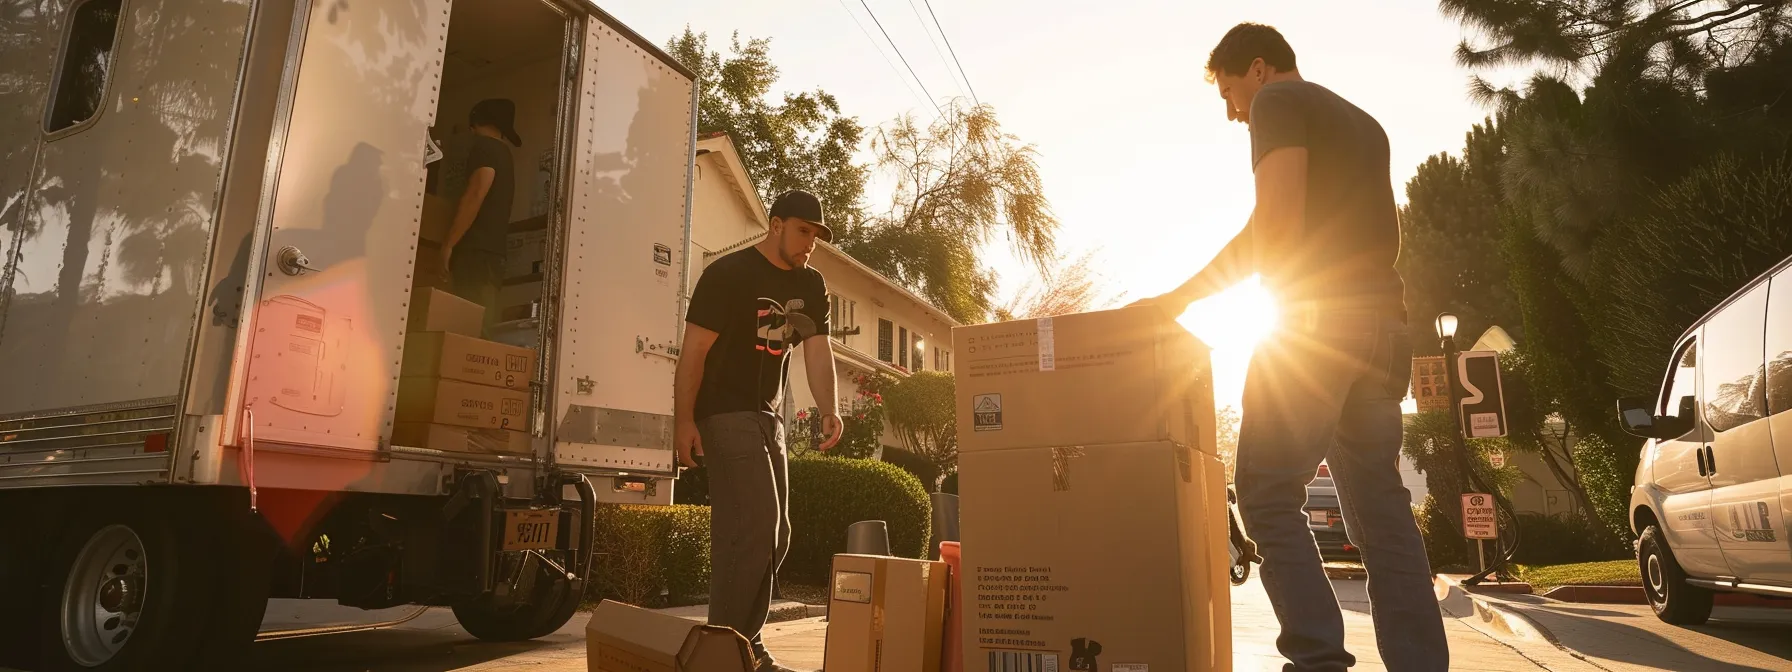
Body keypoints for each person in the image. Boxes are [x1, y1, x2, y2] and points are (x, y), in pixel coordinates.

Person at [1135, 23, 1448, 672]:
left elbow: (1273, 229)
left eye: (1229, 93)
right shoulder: (1363, 122)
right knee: (1382, 511)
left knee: (1267, 492)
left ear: (1257, 68)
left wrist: (1177, 300)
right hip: (1384, 330)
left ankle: (1316, 660)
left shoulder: (1279, 103)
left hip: (1315, 327)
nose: (1231, 112)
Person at [674, 189, 842, 672]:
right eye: (803, 231)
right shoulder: (727, 275)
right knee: (752, 527)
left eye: (816, 235)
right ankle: (723, 655)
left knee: (777, 533)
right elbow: (694, 354)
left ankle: (741, 644)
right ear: (776, 225)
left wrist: (829, 407)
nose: (810, 243)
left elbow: (816, 350)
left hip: (768, 415)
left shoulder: (812, 284)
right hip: (723, 412)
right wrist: (684, 420)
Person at [441, 98, 520, 333]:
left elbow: (476, 193)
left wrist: (448, 244)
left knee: (467, 330)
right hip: (494, 257)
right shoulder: (504, 154)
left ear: (476, 123)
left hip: (475, 255)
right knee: (482, 330)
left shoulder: (483, 148)